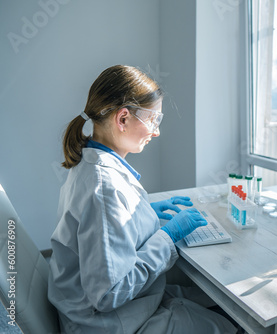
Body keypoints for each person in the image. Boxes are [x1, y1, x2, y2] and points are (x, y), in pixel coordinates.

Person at [48, 65, 237, 334]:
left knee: (216, 302)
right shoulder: (104, 188)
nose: (156, 131)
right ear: (123, 119)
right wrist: (168, 236)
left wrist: (142, 212)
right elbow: (108, 294)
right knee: (229, 325)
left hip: (109, 307)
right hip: (105, 323)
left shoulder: (92, 162)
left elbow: (105, 232)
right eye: (154, 120)